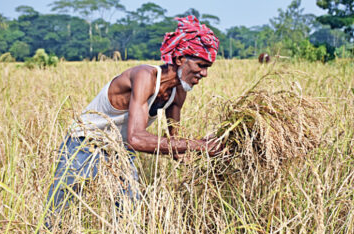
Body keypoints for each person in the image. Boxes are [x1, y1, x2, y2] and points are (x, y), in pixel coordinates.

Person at [46, 15, 222, 214]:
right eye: (201, 65)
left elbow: (176, 143)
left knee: (129, 211)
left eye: (208, 68)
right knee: (59, 210)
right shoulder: (144, 76)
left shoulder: (178, 91)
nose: (205, 74)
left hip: (120, 150)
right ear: (181, 59)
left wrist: (208, 148)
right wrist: (199, 145)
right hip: (85, 143)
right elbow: (137, 138)